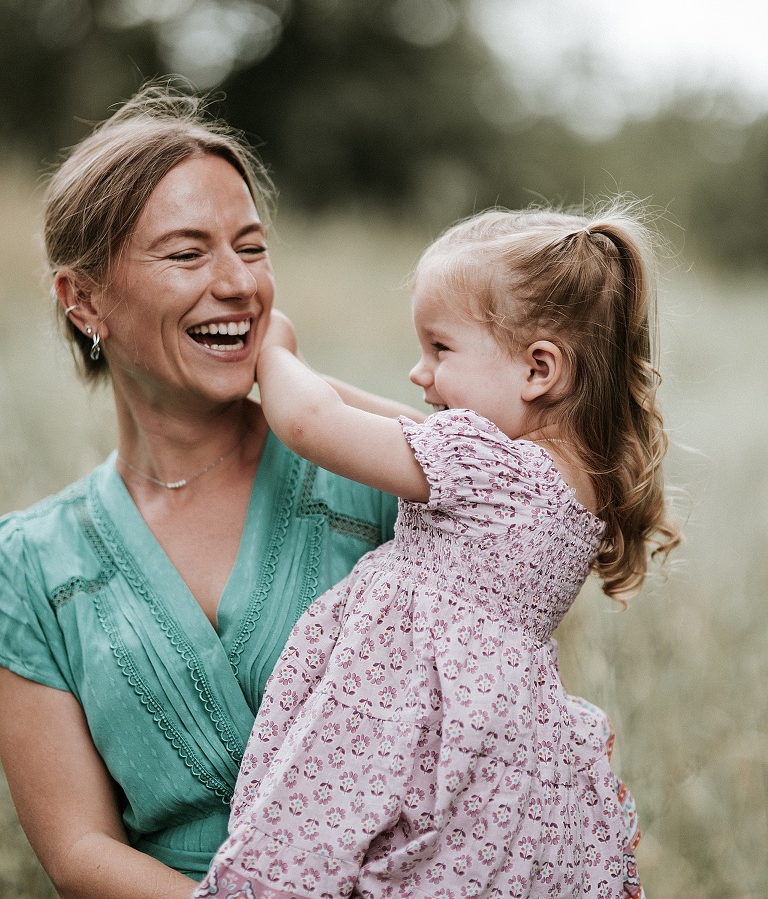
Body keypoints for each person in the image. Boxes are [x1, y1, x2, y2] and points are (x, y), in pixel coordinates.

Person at [0, 85, 424, 898]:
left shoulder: (376, 483)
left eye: (252, 248)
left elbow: (505, 498)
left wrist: (299, 387)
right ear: (82, 299)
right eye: (187, 254)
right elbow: (79, 849)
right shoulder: (30, 567)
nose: (238, 284)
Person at [193, 206, 681, 899]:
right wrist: (296, 372)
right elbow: (396, 423)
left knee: (322, 850)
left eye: (440, 349)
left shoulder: (483, 464)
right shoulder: (571, 482)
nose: (419, 372)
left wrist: (272, 348)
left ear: (539, 368)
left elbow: (309, 423)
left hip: (402, 711)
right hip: (483, 745)